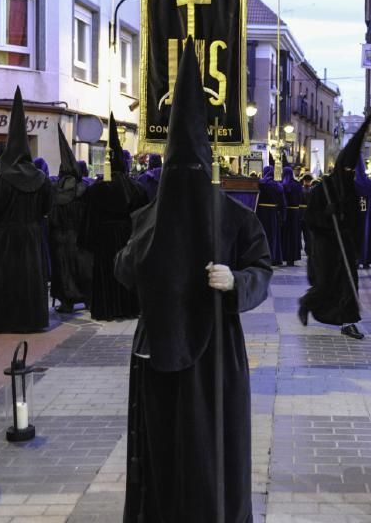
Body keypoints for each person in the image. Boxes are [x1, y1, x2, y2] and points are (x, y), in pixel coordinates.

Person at [116, 40, 272, 522]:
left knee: (209, 453)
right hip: (157, 354)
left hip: (214, 359)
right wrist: (146, 250)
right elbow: (123, 270)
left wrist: (236, 280)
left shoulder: (234, 217)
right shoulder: (147, 218)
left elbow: (261, 269)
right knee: (162, 449)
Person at [0, 88, 52, 333]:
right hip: (31, 237)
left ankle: (5, 319)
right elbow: (46, 208)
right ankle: (31, 320)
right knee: (30, 279)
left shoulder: (2, 178)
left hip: (6, 240)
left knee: (6, 280)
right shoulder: (41, 178)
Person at [298, 118, 371, 341]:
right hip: (326, 246)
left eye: (352, 169)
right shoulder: (323, 189)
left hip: (346, 246)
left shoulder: (354, 191)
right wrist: (327, 217)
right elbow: (310, 218)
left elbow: (359, 219)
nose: (348, 173)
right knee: (326, 283)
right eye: (346, 168)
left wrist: (357, 245)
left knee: (349, 284)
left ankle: (349, 322)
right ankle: (307, 303)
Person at [79, 114, 148, 321]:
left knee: (106, 271)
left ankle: (107, 308)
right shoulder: (136, 188)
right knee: (126, 270)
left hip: (103, 237)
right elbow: (143, 216)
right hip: (128, 235)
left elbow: (89, 216)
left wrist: (87, 241)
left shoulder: (96, 190)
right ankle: (128, 307)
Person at [49, 124, 93, 314]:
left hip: (60, 238)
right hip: (80, 237)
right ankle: (88, 299)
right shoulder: (84, 191)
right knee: (82, 269)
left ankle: (67, 302)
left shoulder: (55, 191)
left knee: (64, 270)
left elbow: (51, 218)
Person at [256, 165, 286, 266]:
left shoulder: (260, 184)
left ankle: (261, 256)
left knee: (261, 234)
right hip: (273, 213)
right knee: (273, 236)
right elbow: (282, 203)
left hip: (261, 212)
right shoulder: (277, 185)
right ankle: (272, 257)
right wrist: (283, 215)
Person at [280, 165, 303, 266]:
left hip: (286, 213)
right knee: (294, 235)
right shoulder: (297, 184)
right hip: (295, 213)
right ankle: (292, 258)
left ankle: (284, 256)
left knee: (285, 235)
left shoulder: (283, 185)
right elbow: (301, 197)